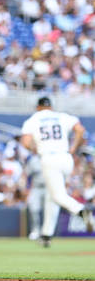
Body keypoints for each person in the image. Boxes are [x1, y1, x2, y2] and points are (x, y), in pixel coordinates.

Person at [20, 96, 94, 247]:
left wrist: (35, 149)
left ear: (38, 107)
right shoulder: (61, 116)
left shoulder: (34, 119)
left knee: (58, 195)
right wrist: (73, 147)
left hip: (49, 158)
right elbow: (80, 129)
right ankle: (46, 235)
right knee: (52, 194)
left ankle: (80, 210)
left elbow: (26, 142)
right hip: (66, 158)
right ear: (51, 107)